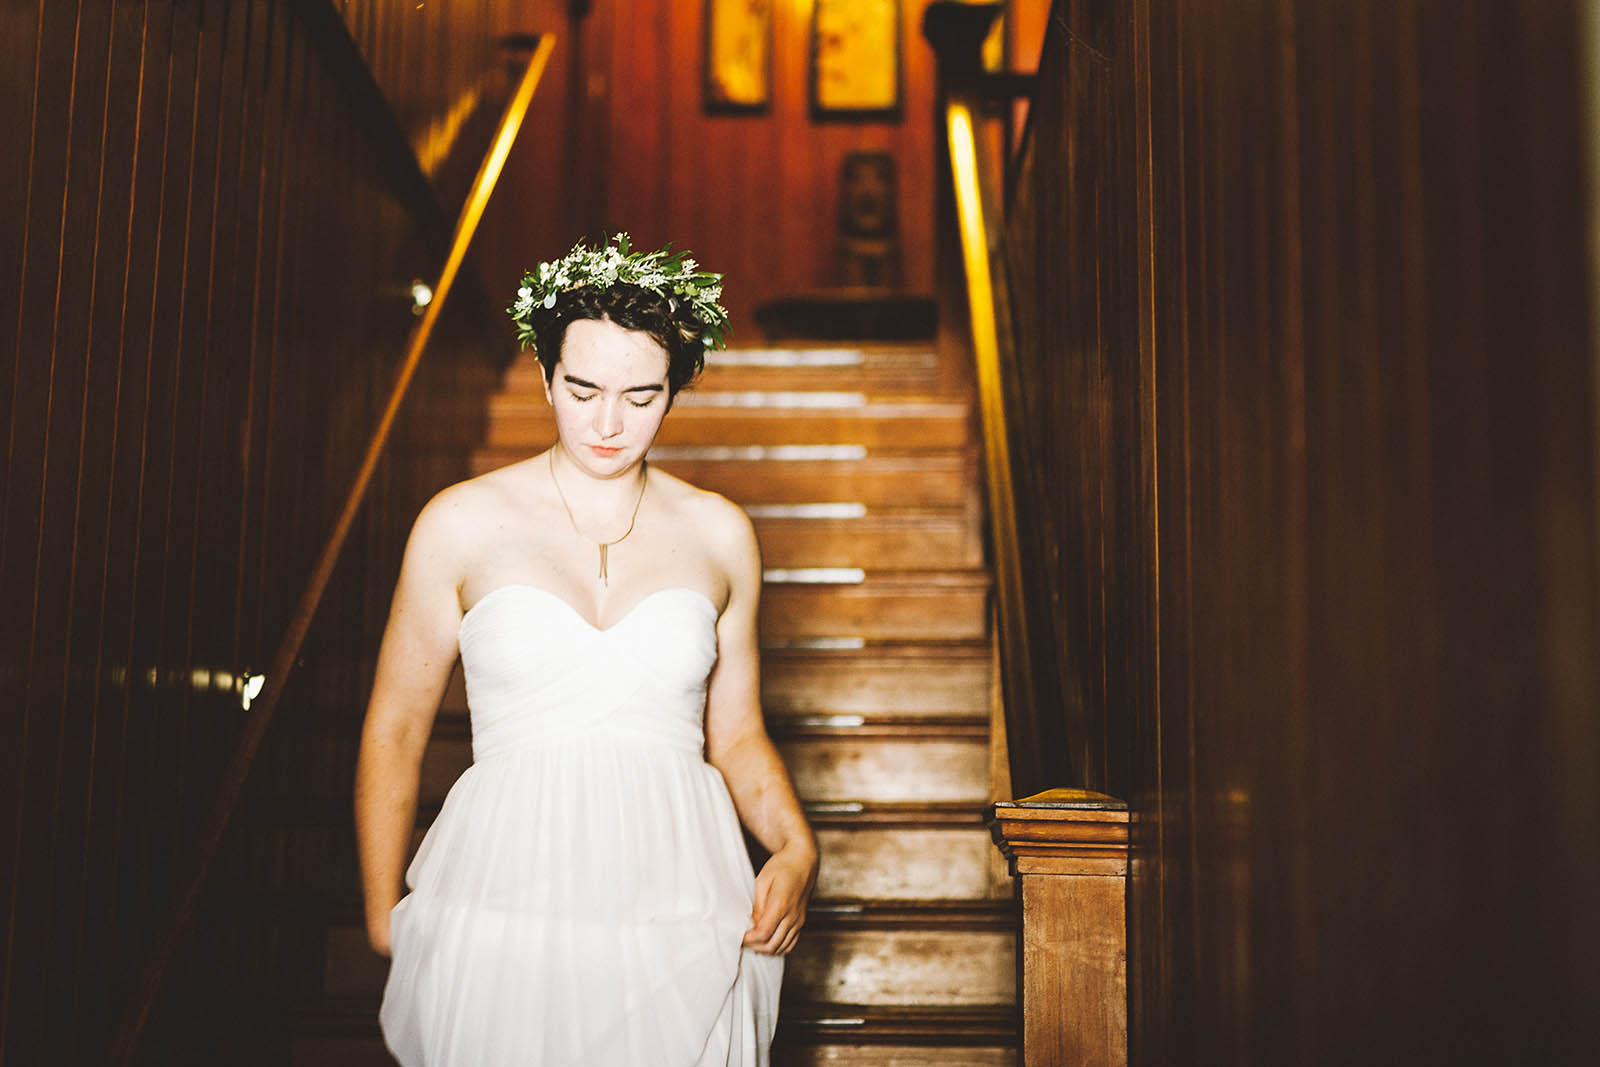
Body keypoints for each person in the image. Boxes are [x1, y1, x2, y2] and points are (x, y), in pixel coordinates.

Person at [354, 235, 818, 1066]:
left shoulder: (720, 533)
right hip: (507, 888)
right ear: (543, 376)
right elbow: (394, 725)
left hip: (677, 892)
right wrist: (383, 908)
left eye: (642, 395)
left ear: (675, 388)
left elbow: (738, 733)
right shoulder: (457, 522)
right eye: (582, 390)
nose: (609, 423)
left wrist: (794, 843)